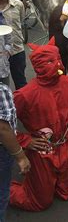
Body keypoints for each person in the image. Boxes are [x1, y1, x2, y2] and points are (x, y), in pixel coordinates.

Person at [9, 38, 68, 211]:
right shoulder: (25, 95)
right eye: (50, 61)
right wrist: (25, 141)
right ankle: (4, 188)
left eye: (58, 59)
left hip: (67, 146)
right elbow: (4, 125)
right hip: (43, 150)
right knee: (40, 202)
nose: (58, 64)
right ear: (37, 65)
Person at [0, 81, 30, 221]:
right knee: (2, 192)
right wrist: (20, 156)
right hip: (2, 151)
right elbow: (3, 129)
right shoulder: (2, 91)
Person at [0, 0, 27, 89]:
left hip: (17, 51)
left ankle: (23, 106)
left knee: (21, 83)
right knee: (2, 86)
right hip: (1, 54)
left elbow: (20, 22)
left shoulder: (18, 5)